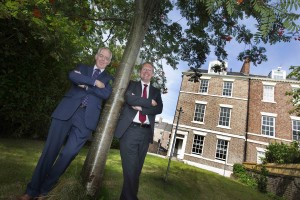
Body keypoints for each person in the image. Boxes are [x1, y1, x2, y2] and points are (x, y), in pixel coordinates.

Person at [18, 47, 113, 200]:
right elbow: (72, 77)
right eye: (101, 55)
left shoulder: (109, 79)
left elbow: (106, 93)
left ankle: (45, 189)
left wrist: (85, 84)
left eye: (106, 58)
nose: (103, 59)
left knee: (68, 155)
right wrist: (94, 82)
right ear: (96, 56)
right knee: (50, 151)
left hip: (86, 120)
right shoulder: (82, 67)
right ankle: (31, 191)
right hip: (65, 112)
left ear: (109, 62)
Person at [114, 62, 163, 200]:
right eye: (144, 69)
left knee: (136, 171)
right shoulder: (131, 85)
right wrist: (149, 103)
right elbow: (129, 98)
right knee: (130, 169)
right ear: (140, 71)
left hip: (146, 133)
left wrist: (141, 108)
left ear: (152, 74)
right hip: (130, 130)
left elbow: (158, 108)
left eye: (150, 70)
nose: (147, 71)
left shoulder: (156, 92)